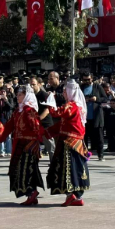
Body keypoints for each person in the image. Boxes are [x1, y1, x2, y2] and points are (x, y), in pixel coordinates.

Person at [46, 79, 90, 207]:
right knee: (77, 168)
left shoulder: (71, 106)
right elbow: (63, 124)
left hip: (69, 144)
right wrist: (48, 132)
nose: (64, 93)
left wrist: (50, 101)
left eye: (65, 90)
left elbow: (55, 113)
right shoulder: (79, 107)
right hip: (77, 143)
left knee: (68, 169)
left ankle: (71, 195)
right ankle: (77, 196)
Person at [1, 86, 44, 206]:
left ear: (26, 96)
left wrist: (36, 142)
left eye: (20, 95)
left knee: (27, 170)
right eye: (18, 95)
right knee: (20, 169)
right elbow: (9, 126)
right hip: (19, 144)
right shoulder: (18, 111)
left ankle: (32, 192)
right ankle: (31, 194)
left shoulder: (29, 110)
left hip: (29, 145)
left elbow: (36, 127)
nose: (17, 97)